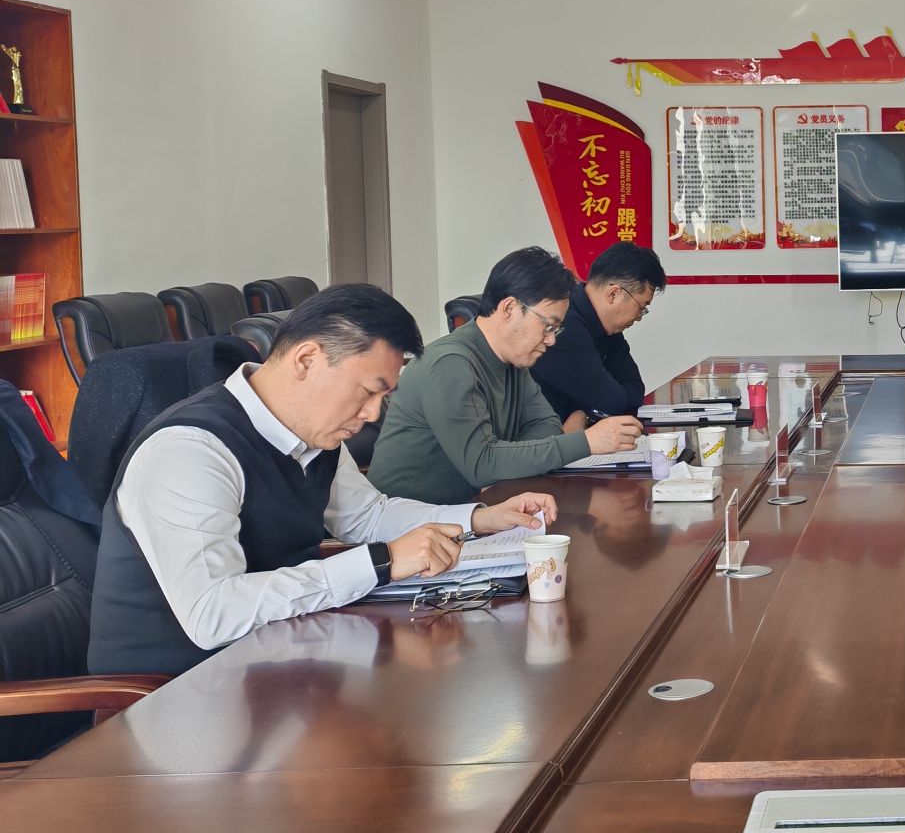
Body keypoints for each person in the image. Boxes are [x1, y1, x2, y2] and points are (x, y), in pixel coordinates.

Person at [87, 284, 557, 678]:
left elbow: (367, 516)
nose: (371, 414)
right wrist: (382, 561)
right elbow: (213, 613)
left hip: (275, 663)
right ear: (307, 359)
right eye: (368, 392)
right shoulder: (190, 450)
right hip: (175, 696)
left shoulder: (312, 433)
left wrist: (479, 520)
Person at [369, 247, 642, 503]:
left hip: (474, 509)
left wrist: (503, 463)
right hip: (411, 521)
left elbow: (547, 425)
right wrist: (586, 442)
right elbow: (482, 464)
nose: (551, 340)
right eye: (548, 326)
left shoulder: (514, 361)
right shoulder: (451, 363)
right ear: (510, 309)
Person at [532, 240, 665, 425]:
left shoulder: (608, 328)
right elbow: (611, 402)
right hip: (544, 438)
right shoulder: (565, 323)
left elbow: (635, 390)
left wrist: (584, 413)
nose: (639, 317)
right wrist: (595, 408)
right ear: (614, 294)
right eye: (641, 307)